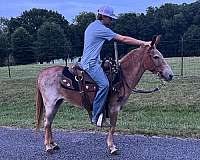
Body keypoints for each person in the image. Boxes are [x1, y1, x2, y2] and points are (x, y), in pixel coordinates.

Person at [78, 6, 151, 127]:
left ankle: (103, 110)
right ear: (104, 16)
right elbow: (123, 39)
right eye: (110, 18)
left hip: (90, 61)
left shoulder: (92, 25)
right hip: (91, 64)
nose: (111, 21)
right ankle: (95, 116)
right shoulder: (100, 29)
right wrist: (143, 43)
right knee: (104, 85)